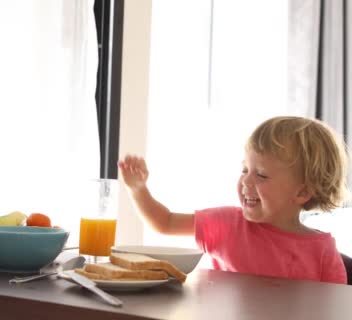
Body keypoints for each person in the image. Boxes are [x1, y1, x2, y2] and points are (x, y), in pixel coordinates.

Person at [119, 116, 348, 284]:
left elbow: (337, 312)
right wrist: (138, 190)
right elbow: (165, 222)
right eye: (244, 170)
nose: (246, 182)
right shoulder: (227, 224)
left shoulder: (322, 251)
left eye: (261, 175)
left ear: (302, 192)